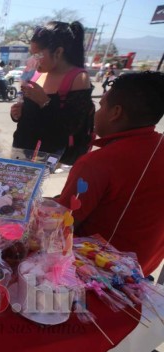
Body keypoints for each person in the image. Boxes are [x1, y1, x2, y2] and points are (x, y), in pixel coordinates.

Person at [57, 71, 164, 276]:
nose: (96, 113)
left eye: (101, 106)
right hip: (145, 270)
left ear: (115, 113)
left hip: (100, 276)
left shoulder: (97, 163)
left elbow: (62, 226)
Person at [10, 21, 94, 166]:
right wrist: (18, 113)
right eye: (32, 55)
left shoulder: (78, 78)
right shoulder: (36, 74)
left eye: (38, 55)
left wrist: (44, 101)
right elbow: (31, 115)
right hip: (22, 150)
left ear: (58, 52)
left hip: (50, 154)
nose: (33, 60)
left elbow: (71, 126)